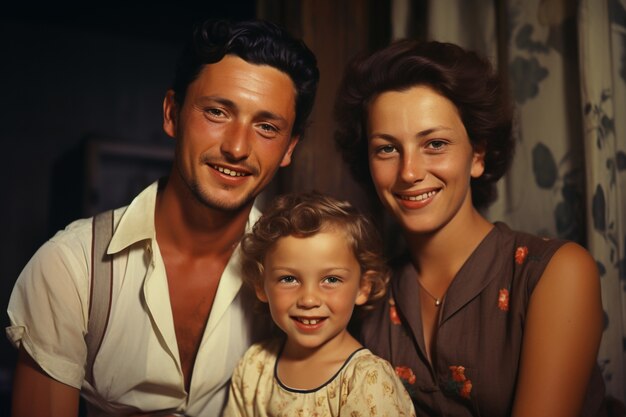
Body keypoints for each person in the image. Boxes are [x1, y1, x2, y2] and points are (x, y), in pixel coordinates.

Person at [6, 19, 319, 417]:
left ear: (289, 148)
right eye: (218, 112)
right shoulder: (71, 267)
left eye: (266, 127)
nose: (238, 147)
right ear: (172, 113)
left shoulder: (303, 280)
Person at [334, 40, 607, 416]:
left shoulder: (555, 272)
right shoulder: (365, 294)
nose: (409, 172)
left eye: (435, 143)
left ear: (477, 155)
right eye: (387, 149)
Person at [223, 192, 416, 417]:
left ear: (364, 287)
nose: (308, 299)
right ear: (260, 285)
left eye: (331, 280)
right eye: (289, 279)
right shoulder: (255, 366)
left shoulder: (365, 381)